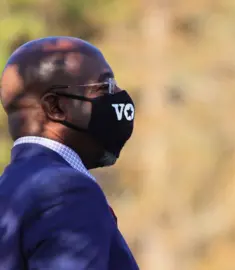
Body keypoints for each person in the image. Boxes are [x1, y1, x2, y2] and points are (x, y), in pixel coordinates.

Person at [0, 36, 139, 269]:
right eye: (105, 87)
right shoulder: (65, 191)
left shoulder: (10, 188)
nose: (118, 96)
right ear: (56, 107)